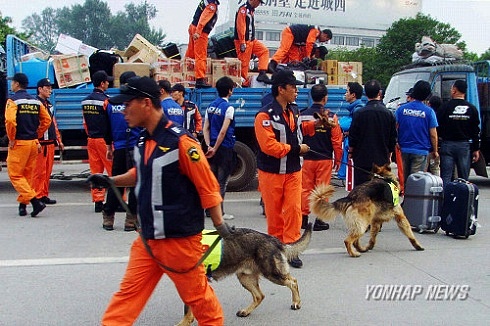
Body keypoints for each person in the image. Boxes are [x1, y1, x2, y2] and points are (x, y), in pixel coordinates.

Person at [87, 76, 229, 325]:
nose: (123, 111)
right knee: (127, 297)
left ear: (145, 103)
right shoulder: (143, 139)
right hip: (148, 240)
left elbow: (208, 185)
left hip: (180, 243)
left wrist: (220, 226)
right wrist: (111, 180)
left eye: (127, 104)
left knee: (201, 302)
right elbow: (141, 173)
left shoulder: (181, 142)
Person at [254, 69, 328, 268]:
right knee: (274, 212)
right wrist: (296, 149)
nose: (296, 91)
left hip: (294, 171)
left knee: (294, 210)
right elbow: (268, 146)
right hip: (271, 172)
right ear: (281, 89)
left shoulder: (294, 110)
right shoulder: (264, 116)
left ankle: (292, 249)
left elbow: (298, 131)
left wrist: (316, 125)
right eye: (293, 87)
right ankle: (276, 250)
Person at [5, 73, 51, 217]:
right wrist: (37, 134)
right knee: (27, 175)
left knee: (15, 175)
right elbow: (47, 120)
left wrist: (12, 137)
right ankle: (22, 206)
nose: (11, 84)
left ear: (17, 84)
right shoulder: (35, 101)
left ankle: (35, 201)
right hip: (33, 143)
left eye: (12, 82)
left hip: (19, 143)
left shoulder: (12, 101)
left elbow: (11, 121)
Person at [299, 84, 342, 231]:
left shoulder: (302, 114)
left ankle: (303, 219)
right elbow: (336, 140)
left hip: (306, 158)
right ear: (325, 98)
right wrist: (338, 158)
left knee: (305, 189)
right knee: (322, 189)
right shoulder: (331, 117)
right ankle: (320, 220)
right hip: (324, 159)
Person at [102, 71, 140, 231]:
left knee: (116, 182)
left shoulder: (109, 103)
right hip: (135, 147)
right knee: (136, 184)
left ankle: (108, 218)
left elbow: (106, 128)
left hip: (118, 148)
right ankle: (131, 220)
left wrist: (109, 146)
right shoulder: (135, 102)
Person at [349, 80, 397, 187]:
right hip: (381, 161)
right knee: (378, 193)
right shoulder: (388, 114)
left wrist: (351, 152)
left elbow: (353, 137)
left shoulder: (359, 113)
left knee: (361, 193)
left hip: (361, 160)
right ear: (379, 93)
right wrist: (389, 155)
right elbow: (392, 139)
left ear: (365, 94)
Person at [203, 76, 236, 220]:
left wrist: (209, 145)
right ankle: (220, 213)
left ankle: (209, 210)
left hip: (211, 147)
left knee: (212, 180)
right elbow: (223, 130)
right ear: (229, 91)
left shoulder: (210, 106)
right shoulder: (228, 107)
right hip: (224, 148)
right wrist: (216, 147)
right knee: (222, 182)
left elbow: (206, 128)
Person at [437, 79, 480, 185]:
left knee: (446, 176)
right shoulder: (472, 109)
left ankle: (446, 199)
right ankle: (462, 198)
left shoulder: (445, 107)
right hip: (464, 146)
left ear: (454, 90)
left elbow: (437, 126)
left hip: (447, 144)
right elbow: (475, 130)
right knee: (463, 177)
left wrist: (437, 144)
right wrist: (476, 149)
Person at [82, 70, 114, 213]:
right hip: (104, 141)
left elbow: (85, 123)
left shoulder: (85, 101)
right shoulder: (106, 101)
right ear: (102, 83)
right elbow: (110, 122)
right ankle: (118, 199)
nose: (108, 83)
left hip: (91, 140)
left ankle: (98, 201)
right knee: (113, 170)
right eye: (107, 81)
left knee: (96, 172)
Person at [395, 80, 439, 184]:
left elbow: (394, 128)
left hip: (404, 149)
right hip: (421, 150)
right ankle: (413, 200)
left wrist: (396, 141)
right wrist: (435, 150)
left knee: (405, 179)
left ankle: (406, 198)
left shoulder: (401, 109)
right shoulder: (429, 111)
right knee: (416, 181)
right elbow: (433, 134)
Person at [33, 78, 64, 205]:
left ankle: (44, 194)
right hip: (41, 143)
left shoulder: (49, 105)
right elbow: (34, 124)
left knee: (47, 172)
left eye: (51, 88)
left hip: (50, 143)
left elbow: (53, 124)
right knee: (39, 172)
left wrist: (59, 140)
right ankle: (37, 196)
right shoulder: (36, 104)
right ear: (40, 89)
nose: (50, 90)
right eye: (47, 87)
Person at [234, 0, 271, 85]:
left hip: (251, 40)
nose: (259, 5)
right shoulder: (243, 9)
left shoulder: (250, 10)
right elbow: (241, 26)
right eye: (259, 2)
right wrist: (242, 42)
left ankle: (262, 72)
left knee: (264, 51)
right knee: (244, 65)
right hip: (244, 41)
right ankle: (243, 84)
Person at [185, 0, 220, 88]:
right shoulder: (212, 5)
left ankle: (186, 70)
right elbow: (203, 18)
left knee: (191, 53)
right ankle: (200, 79)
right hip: (200, 32)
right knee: (201, 56)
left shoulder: (206, 1)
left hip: (193, 27)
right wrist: (198, 32)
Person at [337, 82, 364, 181]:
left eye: (347, 91)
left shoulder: (358, 109)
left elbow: (352, 126)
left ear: (353, 95)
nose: (345, 94)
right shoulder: (355, 109)